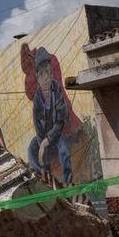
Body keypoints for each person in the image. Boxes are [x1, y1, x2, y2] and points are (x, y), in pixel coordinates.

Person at [27, 47, 72, 185]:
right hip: (43, 136)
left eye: (47, 73)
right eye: (41, 75)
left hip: (55, 135)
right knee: (32, 149)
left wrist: (47, 141)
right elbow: (37, 125)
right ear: (38, 78)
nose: (45, 78)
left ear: (52, 74)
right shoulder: (37, 99)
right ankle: (43, 179)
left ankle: (68, 184)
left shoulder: (57, 92)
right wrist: (42, 143)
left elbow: (60, 122)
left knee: (64, 151)